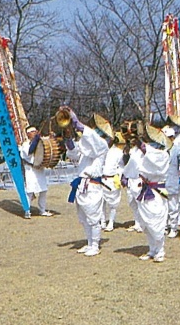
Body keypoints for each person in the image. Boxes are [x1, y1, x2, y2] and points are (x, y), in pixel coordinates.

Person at [64, 108, 109, 257]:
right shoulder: (86, 150)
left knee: (93, 217)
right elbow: (74, 153)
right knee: (83, 218)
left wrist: (77, 124)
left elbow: (94, 141)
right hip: (81, 185)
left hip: (93, 186)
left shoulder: (102, 146)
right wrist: (68, 137)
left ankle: (95, 245)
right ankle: (89, 242)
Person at [133, 124, 170, 262]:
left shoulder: (163, 155)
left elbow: (155, 160)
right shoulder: (145, 153)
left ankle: (160, 250)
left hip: (157, 192)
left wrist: (141, 146)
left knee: (156, 221)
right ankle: (152, 249)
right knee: (146, 222)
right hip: (144, 190)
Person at [162, 121, 180, 238]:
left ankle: (173, 227)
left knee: (173, 206)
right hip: (161, 182)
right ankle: (164, 226)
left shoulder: (177, 149)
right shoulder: (161, 150)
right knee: (163, 207)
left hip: (173, 180)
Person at [19, 126, 53, 219]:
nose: (34, 133)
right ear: (28, 134)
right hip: (30, 170)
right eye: (32, 131)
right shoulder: (25, 144)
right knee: (30, 191)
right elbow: (30, 151)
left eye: (35, 131)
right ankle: (27, 210)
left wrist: (51, 137)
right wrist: (37, 138)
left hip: (39, 169)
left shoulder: (40, 142)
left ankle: (42, 210)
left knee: (43, 190)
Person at [101, 133, 124, 232]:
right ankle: (102, 221)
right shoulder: (102, 151)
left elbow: (121, 166)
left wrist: (118, 176)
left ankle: (111, 222)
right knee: (101, 201)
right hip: (102, 179)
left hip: (113, 179)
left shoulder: (119, 152)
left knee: (113, 203)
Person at [121, 139, 144, 234]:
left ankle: (142, 224)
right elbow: (125, 164)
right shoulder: (129, 151)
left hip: (138, 179)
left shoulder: (141, 152)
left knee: (140, 203)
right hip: (130, 179)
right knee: (132, 202)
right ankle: (137, 222)